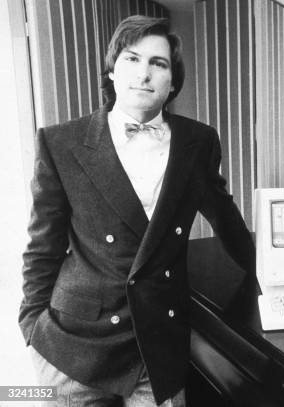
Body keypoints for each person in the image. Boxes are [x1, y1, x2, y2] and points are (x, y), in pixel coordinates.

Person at [19, 15, 255, 406]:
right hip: (73, 347)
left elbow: (225, 218)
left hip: (157, 345)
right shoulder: (60, 143)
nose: (144, 73)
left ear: (172, 83)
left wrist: (269, 276)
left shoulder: (198, 142)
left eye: (158, 64)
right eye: (132, 59)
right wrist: (31, 327)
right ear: (112, 71)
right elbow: (41, 249)